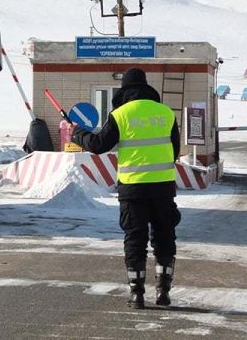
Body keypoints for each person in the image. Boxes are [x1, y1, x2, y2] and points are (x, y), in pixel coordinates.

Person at [71, 67, 181, 309]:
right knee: (164, 238)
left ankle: (137, 294)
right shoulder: (166, 113)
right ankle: (163, 291)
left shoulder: (121, 115)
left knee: (135, 239)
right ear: (146, 88)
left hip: (133, 189)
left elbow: (99, 145)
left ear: (125, 91)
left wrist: (77, 134)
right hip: (163, 188)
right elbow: (175, 150)